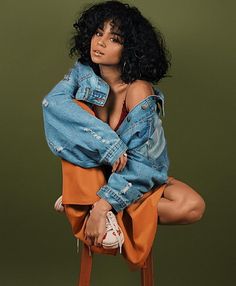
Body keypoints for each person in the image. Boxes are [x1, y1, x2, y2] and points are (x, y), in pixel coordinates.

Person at [42, 1, 206, 251]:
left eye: (114, 38)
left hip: (133, 173)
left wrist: (102, 206)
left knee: (192, 206)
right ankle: (86, 197)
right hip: (93, 172)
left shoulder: (138, 91)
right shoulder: (82, 74)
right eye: (98, 33)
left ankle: (85, 204)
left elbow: (144, 165)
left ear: (131, 49)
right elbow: (51, 104)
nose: (101, 42)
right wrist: (110, 145)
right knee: (71, 108)